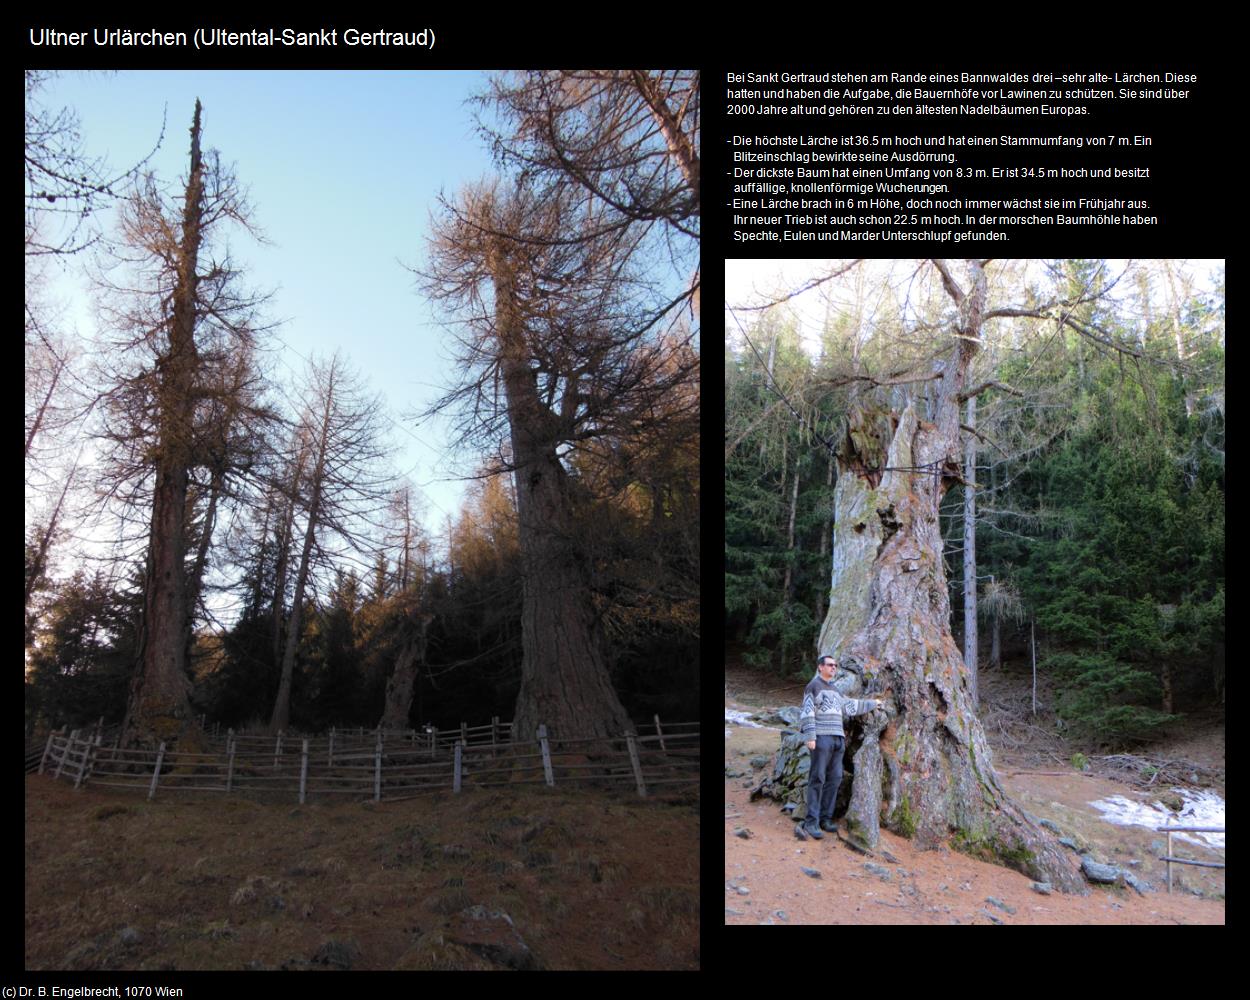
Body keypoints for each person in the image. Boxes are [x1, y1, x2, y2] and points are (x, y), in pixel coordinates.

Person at [796, 654, 882, 841]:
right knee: (817, 777)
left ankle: (826, 818)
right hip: (821, 738)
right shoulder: (814, 686)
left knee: (835, 778)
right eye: (829, 665)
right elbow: (807, 712)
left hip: (837, 740)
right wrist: (810, 736)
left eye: (835, 665)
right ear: (820, 667)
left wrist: (872, 704)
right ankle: (811, 821)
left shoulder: (834, 689)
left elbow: (850, 706)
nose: (833, 668)